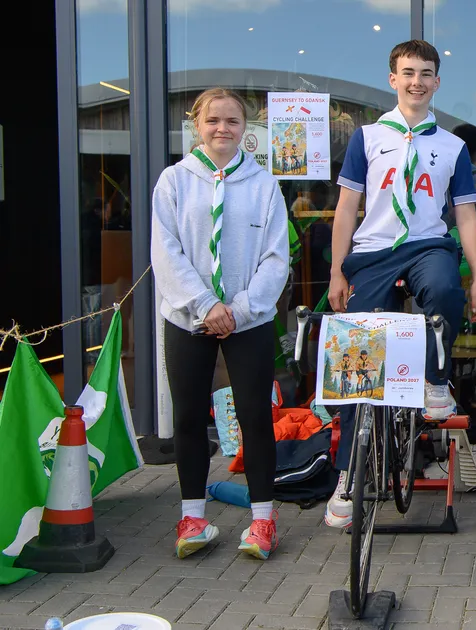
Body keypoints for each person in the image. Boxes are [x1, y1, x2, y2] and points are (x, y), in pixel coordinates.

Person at [325, 39, 476, 528]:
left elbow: (464, 214)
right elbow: (346, 209)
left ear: (437, 82)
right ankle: (349, 475)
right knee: (357, 360)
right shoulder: (367, 137)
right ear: (392, 79)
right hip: (373, 251)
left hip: (426, 246)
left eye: (426, 73)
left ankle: (435, 382)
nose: (416, 81)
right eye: (407, 72)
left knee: (444, 290)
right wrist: (338, 268)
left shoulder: (453, 147)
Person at [151, 87, 290, 560]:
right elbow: (165, 252)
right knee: (189, 417)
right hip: (188, 315)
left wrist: (241, 308)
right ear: (196, 125)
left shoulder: (263, 184)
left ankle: (263, 521)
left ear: (245, 129)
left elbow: (276, 257)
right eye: (213, 121)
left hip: (248, 318)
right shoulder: (174, 181)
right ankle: (193, 516)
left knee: (255, 417)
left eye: (232, 121)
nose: (223, 129)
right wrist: (206, 304)